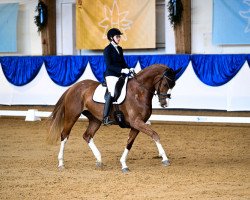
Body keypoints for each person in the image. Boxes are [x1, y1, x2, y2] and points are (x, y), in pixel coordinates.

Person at [102, 28, 134, 125]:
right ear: (111, 38)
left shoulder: (119, 49)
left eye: (119, 36)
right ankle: (106, 117)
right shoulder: (107, 50)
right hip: (111, 75)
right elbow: (109, 65)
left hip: (120, 75)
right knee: (112, 93)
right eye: (117, 37)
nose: (119, 38)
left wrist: (129, 69)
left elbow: (123, 63)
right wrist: (122, 70)